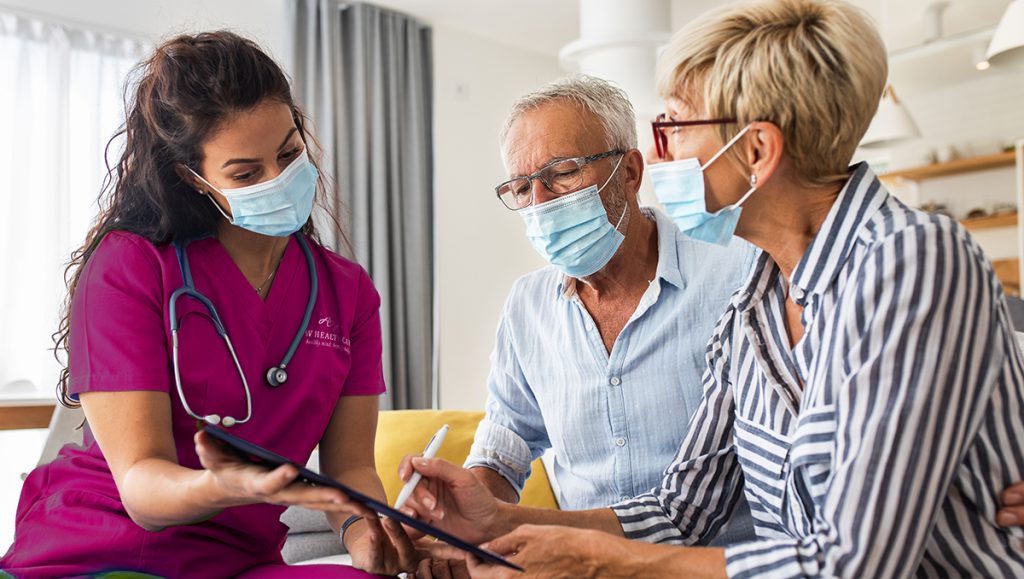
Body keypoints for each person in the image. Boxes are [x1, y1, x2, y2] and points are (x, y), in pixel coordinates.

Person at [397, 1, 1024, 576]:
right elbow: (684, 508)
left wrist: (602, 561)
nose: (656, 152)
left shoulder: (913, 258)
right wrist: (502, 522)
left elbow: (855, 563)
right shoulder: (756, 295)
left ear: (756, 149)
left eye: (673, 127)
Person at [0, 31, 420, 578]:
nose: (280, 179)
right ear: (192, 178)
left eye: (290, 154)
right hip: (98, 547)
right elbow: (140, 487)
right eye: (246, 173)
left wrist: (368, 536)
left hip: (236, 561)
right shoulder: (131, 266)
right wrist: (219, 485)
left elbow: (353, 468)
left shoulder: (347, 291)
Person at [462, 76, 756, 545]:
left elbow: (693, 507)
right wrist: (459, 508)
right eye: (521, 188)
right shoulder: (527, 307)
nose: (540, 205)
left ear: (631, 172)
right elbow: (506, 442)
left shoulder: (734, 274)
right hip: (576, 566)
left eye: (562, 173)